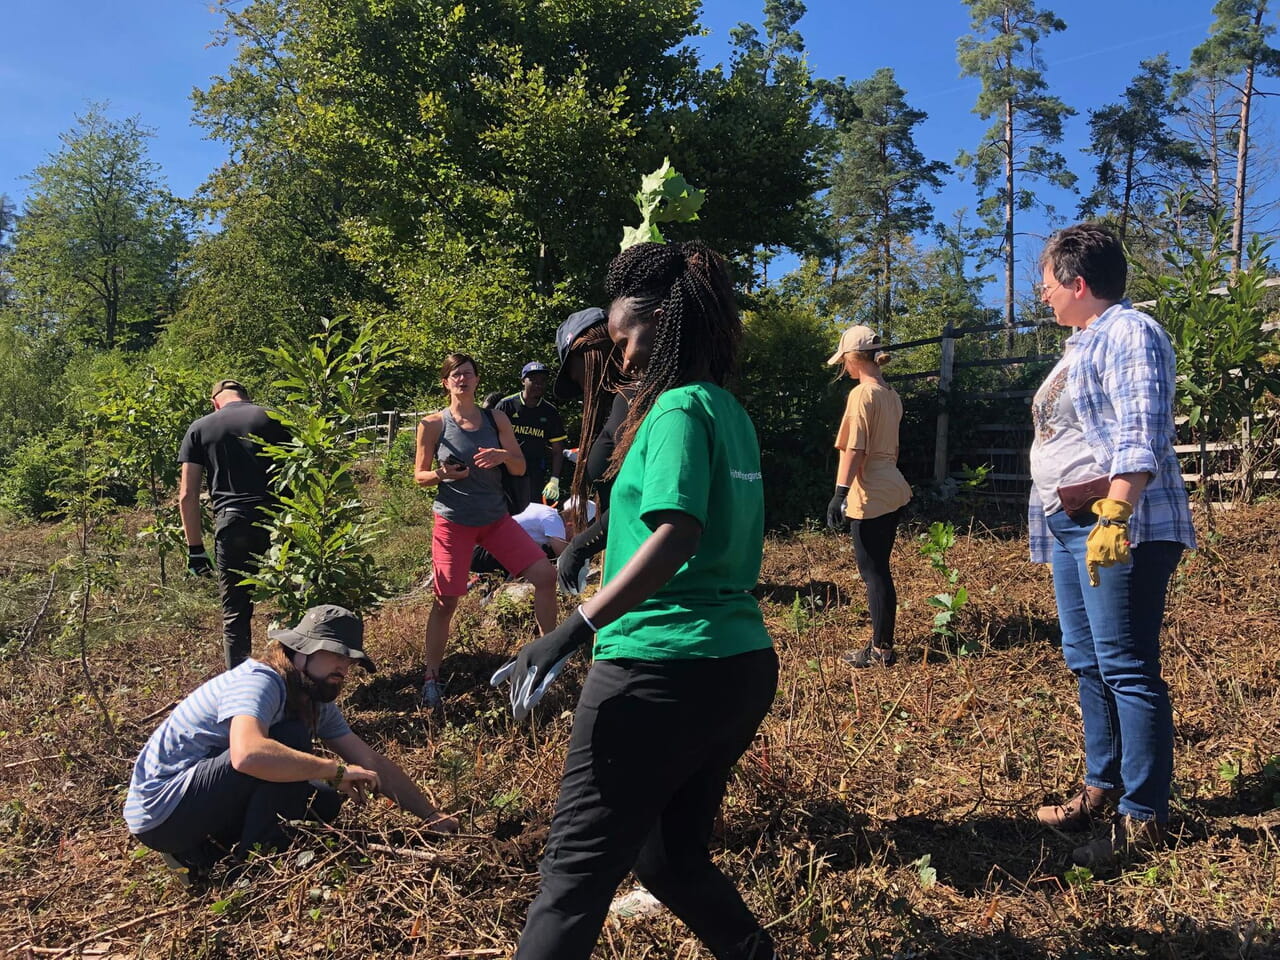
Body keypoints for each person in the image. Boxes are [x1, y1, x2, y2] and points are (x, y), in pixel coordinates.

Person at [497, 241, 779, 960]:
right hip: (738, 664)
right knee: (669, 859)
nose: (618, 355)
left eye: (624, 337)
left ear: (666, 321)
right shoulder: (728, 411)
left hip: (659, 667)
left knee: (573, 873)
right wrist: (588, 546)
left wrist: (573, 629)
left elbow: (678, 532)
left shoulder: (678, 410)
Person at [1029, 222, 1195, 869]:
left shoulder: (1130, 332)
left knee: (1125, 663)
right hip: (1073, 525)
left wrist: (1115, 516)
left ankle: (1145, 815)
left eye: (1046, 283)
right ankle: (1102, 787)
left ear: (1077, 282)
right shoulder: (1080, 344)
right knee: (1086, 659)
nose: (1042, 295)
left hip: (1118, 523)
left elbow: (1139, 429)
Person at [124, 604, 457, 884]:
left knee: (324, 802)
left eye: (350, 661)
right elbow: (248, 754)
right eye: (335, 654)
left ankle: (202, 853)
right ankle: (253, 872)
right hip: (162, 812)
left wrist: (430, 815)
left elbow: (370, 760)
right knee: (291, 740)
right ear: (301, 651)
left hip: (196, 806)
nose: (344, 667)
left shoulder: (314, 698)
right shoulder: (260, 681)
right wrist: (334, 770)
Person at [414, 354, 558, 708]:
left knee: (545, 575)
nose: (462, 379)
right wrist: (442, 475)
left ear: (477, 380)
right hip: (453, 522)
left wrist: (502, 456)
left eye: (468, 374)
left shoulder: (497, 419)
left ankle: (549, 658)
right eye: (455, 375)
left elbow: (521, 465)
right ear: (445, 382)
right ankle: (431, 676)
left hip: (495, 520)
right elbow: (420, 476)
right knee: (446, 601)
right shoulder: (432, 424)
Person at [178, 378, 290, 669]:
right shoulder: (274, 418)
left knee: (235, 615)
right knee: (293, 601)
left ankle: (241, 688)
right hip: (280, 523)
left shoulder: (200, 428)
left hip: (233, 524)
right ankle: (295, 677)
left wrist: (195, 549)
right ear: (246, 396)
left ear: (215, 402)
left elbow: (187, 495)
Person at [824, 326, 912, 668]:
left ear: (851, 358)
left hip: (871, 492)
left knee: (873, 572)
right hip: (893, 486)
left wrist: (840, 493)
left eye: (844, 361)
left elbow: (855, 448)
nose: (844, 368)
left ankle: (881, 651)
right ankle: (882, 644)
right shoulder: (891, 394)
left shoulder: (862, 395)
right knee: (880, 570)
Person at [550, 307, 633, 594]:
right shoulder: (619, 405)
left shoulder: (635, 405)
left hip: (651, 574)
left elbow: (635, 502)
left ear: (588, 353)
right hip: (630, 566)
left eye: (572, 373)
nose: (577, 383)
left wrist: (578, 546)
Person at [497, 361, 568, 504]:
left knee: (530, 515)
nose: (538, 384)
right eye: (533, 379)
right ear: (523, 381)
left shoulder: (550, 412)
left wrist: (554, 479)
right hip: (506, 470)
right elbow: (489, 437)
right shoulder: (506, 405)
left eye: (542, 380)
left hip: (534, 473)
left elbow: (557, 450)